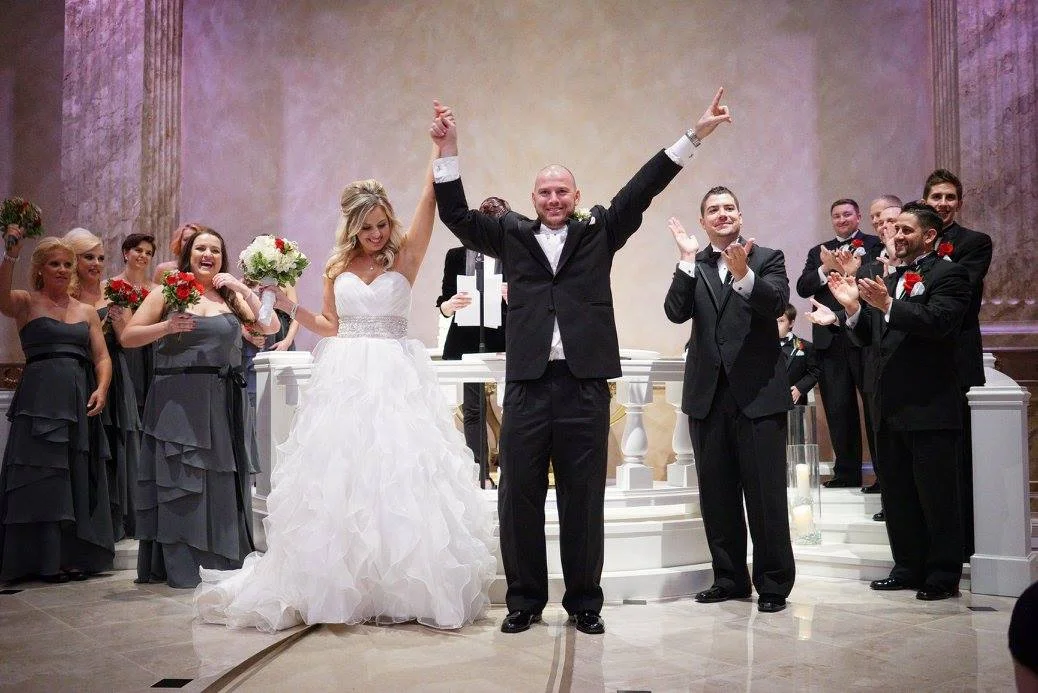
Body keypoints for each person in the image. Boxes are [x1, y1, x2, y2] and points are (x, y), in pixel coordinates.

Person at [431, 88, 733, 635]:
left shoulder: (600, 232)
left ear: (576, 194)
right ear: (533, 196)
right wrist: (448, 147)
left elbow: (643, 188)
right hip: (526, 385)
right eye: (544, 191)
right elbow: (453, 212)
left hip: (585, 385)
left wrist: (694, 135)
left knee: (583, 497)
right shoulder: (509, 233)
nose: (553, 198)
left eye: (561, 191)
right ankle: (524, 602)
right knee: (517, 495)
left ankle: (584, 604)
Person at [193, 120, 496, 632]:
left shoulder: (407, 255)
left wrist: (443, 147)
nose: (375, 234)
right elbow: (330, 326)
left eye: (381, 224)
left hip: (396, 376)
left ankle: (402, 586)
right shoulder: (336, 267)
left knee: (400, 477)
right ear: (352, 226)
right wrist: (295, 307)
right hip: (348, 376)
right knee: (346, 480)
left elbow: (430, 198)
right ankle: (344, 586)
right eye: (367, 226)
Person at [121, 227, 278, 588]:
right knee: (182, 480)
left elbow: (266, 327)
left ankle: (221, 561)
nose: (208, 255)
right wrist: (166, 326)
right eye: (200, 249)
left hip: (222, 399)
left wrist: (241, 289)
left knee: (219, 479)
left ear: (223, 258)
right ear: (188, 254)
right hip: (178, 398)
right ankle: (183, 566)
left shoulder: (229, 298)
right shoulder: (168, 291)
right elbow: (129, 336)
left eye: (215, 250)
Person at [663, 189, 795, 614]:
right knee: (717, 496)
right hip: (708, 396)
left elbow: (776, 302)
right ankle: (729, 578)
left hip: (757, 396)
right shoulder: (696, 265)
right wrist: (685, 261)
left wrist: (743, 276)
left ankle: (773, 583)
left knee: (765, 495)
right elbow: (675, 312)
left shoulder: (767, 258)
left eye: (729, 208)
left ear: (740, 214)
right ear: (702, 222)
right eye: (713, 210)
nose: (722, 214)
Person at [830, 202, 970, 601]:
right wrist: (854, 310)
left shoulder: (951, 275)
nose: (897, 235)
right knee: (898, 495)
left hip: (929, 405)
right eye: (895, 230)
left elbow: (940, 323)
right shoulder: (888, 282)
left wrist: (889, 306)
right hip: (888, 407)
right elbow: (870, 338)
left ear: (929, 235)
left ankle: (942, 576)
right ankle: (907, 566)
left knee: (937, 497)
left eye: (907, 229)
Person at [0, 230, 115, 582]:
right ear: (40, 270)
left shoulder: (86, 311)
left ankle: (70, 556)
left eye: (67, 264)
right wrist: (11, 255)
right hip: (38, 400)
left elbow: (102, 357)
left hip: (77, 398)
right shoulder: (25, 302)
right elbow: (1, 298)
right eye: (55, 264)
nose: (63, 270)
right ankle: (36, 560)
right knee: (39, 476)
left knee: (75, 476)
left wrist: (103, 388)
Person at [923, 168, 993, 560]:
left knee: (960, 453)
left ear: (959, 202)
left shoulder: (975, 242)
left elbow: (958, 290)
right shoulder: (912, 239)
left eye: (950, 198)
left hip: (957, 354)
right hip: (921, 360)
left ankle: (965, 542)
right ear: (926, 200)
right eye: (937, 198)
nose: (944, 204)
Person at [795, 199, 882, 489]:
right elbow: (803, 286)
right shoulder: (818, 252)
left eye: (847, 214)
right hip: (829, 341)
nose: (842, 219)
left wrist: (850, 270)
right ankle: (846, 472)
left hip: (864, 336)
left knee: (873, 406)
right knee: (837, 406)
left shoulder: (873, 245)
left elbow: (876, 280)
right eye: (836, 215)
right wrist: (824, 268)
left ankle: (884, 474)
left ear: (858, 217)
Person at [64, 228, 142, 541]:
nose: (96, 263)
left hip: (118, 375)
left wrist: (121, 315)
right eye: (88, 257)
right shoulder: (64, 298)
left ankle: (118, 520)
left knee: (118, 442)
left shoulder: (115, 292)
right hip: (81, 376)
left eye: (100, 257)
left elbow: (129, 340)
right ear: (73, 260)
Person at [436, 196, 510, 482]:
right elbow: (442, 302)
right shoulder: (456, 255)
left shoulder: (515, 252)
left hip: (506, 337)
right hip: (467, 338)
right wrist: (450, 304)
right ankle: (479, 473)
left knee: (512, 407)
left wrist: (515, 296)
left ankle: (508, 469)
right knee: (473, 407)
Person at [110, 233, 159, 415]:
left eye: (148, 253)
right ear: (125, 253)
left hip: (151, 355)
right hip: (122, 356)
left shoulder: (157, 291)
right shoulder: (110, 285)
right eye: (138, 250)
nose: (143, 255)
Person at [778, 304, 819, 406]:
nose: (775, 325)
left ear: (791, 323)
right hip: (767, 403)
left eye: (781, 321)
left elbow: (815, 372)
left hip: (794, 401)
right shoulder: (762, 346)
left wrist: (800, 388)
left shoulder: (806, 346)